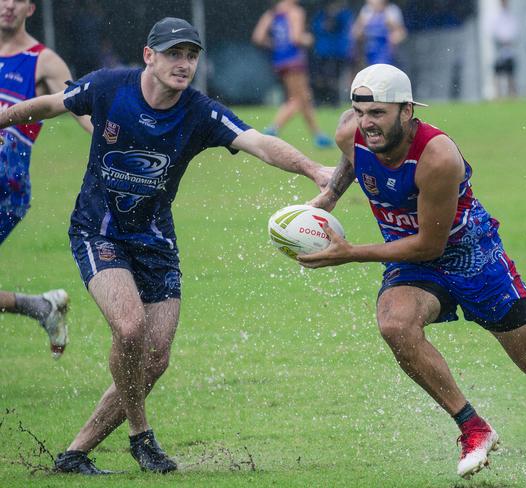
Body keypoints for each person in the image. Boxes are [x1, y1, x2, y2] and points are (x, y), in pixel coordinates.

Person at [0, 17, 333, 474]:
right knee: (131, 329)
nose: (184, 64)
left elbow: (258, 142)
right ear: (148, 55)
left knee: (155, 357)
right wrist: (3, 117)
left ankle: (75, 454)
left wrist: (314, 170)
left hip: (155, 240)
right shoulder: (108, 87)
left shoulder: (198, 111)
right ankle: (142, 437)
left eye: (191, 55)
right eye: (174, 54)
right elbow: (50, 104)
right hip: (99, 230)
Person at [300, 63, 526, 483]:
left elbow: (431, 245)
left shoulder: (437, 156)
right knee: (395, 324)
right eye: (360, 112)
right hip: (410, 262)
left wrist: (351, 253)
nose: (367, 124)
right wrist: (332, 194)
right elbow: (353, 160)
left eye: (379, 114)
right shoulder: (350, 133)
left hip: (472, 257)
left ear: (407, 111)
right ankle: (472, 426)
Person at [0, 0, 93, 358]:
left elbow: (82, 107)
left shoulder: (43, 61)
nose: (8, 5)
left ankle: (40, 307)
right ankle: (40, 307)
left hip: (6, 190)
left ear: (31, 8)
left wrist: (118, 138)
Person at [252, 0, 333, 148]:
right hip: (294, 60)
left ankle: (318, 135)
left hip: (280, 61)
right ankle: (272, 129)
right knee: (298, 99)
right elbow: (296, 38)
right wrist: (307, 39)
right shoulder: (296, 11)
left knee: (305, 96)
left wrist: (275, 45)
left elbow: (258, 37)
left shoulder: (272, 12)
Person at [311, 0, 354, 106]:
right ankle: (320, 100)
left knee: (333, 78)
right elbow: (315, 28)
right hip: (321, 52)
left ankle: (333, 101)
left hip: (337, 52)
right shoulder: (321, 14)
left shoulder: (344, 14)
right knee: (320, 77)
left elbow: (347, 28)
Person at [352, 0, 406, 67]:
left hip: (387, 53)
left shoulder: (392, 10)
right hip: (369, 51)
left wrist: (394, 38)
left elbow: (401, 32)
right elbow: (356, 31)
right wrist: (359, 33)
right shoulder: (367, 10)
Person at [490, 0, 519, 99]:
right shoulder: (495, 15)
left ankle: (512, 95)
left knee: (510, 73)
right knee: (497, 73)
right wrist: (501, 39)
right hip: (499, 48)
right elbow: (492, 30)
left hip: (509, 48)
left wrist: (508, 40)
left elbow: (514, 31)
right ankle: (497, 95)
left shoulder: (511, 15)